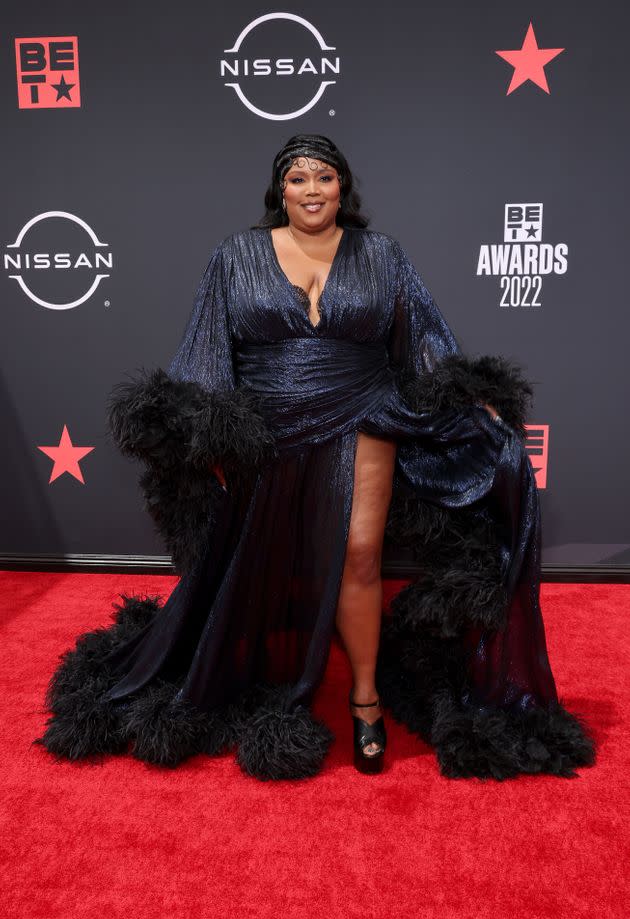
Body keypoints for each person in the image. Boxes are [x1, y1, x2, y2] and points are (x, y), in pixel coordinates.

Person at [34, 134, 596, 781]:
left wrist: (475, 401)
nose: (311, 190)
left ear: (342, 187)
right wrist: (210, 433)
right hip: (267, 425)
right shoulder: (236, 254)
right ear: (280, 189)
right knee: (264, 560)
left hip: (364, 410)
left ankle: (365, 700)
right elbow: (208, 346)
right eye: (298, 178)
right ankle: (263, 679)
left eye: (323, 177)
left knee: (360, 554)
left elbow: (423, 338)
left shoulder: (381, 255)